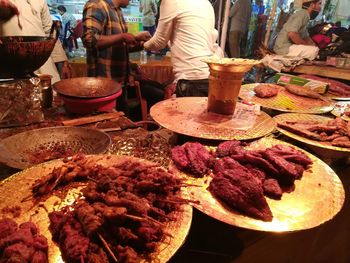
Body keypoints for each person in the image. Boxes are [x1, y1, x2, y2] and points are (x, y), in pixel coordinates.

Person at [143, 0, 223, 97]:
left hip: (189, 79)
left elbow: (159, 42)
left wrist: (143, 44)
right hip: (209, 75)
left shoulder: (171, 1)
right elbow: (191, 38)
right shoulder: (206, 3)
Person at [0, 0, 71, 83]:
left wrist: (63, 62)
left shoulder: (39, 1)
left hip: (41, 61)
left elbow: (49, 33)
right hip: (8, 65)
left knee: (49, 92)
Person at [82, 0, 151, 82]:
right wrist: (122, 37)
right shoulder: (96, 5)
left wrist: (143, 43)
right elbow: (89, 40)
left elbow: (120, 47)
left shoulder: (118, 11)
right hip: (102, 83)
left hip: (119, 80)